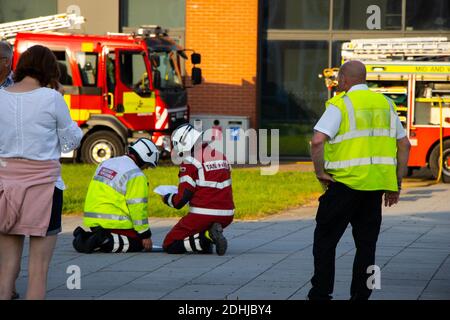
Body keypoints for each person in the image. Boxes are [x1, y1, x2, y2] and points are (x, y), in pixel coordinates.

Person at [308, 60, 411, 300]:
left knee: (325, 240)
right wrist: (396, 184)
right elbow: (404, 144)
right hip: (374, 189)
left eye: (339, 80)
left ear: (344, 80)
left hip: (344, 186)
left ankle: (321, 293)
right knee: (366, 246)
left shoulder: (340, 105)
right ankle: (360, 296)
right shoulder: (385, 104)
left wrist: (320, 173)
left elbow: (317, 141)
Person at [0, 45, 83, 300]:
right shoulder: (51, 98)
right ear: (49, 69)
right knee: (38, 269)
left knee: (5, 267)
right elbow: (73, 140)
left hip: (5, 186)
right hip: (44, 187)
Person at [72, 138, 159, 254]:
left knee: (131, 237)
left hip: (93, 221)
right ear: (144, 158)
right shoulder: (136, 174)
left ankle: (86, 236)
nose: (146, 168)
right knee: (137, 244)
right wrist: (145, 235)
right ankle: (102, 240)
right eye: (148, 165)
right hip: (113, 223)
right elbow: (137, 208)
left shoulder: (107, 162)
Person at [161, 123, 234, 255]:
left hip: (203, 214)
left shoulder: (190, 162)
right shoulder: (220, 155)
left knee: (170, 244)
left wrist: (166, 198)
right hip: (227, 215)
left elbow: (181, 200)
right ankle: (209, 234)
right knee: (197, 239)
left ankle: (206, 237)